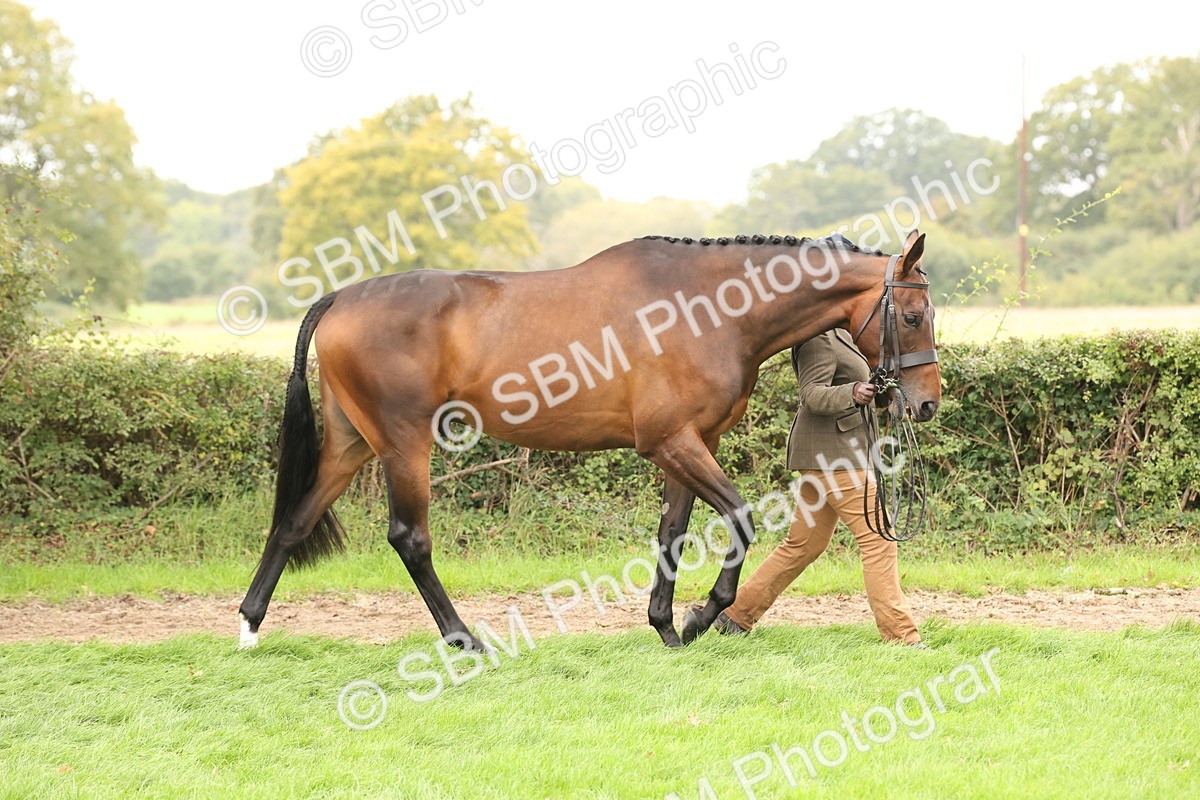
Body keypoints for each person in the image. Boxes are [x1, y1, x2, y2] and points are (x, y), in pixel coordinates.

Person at [714, 328, 925, 647]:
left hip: (837, 451)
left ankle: (735, 616)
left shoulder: (845, 333)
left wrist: (878, 391)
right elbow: (811, 394)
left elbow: (854, 390)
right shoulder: (817, 336)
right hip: (831, 454)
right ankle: (901, 636)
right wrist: (852, 391)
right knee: (878, 537)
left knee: (804, 544)